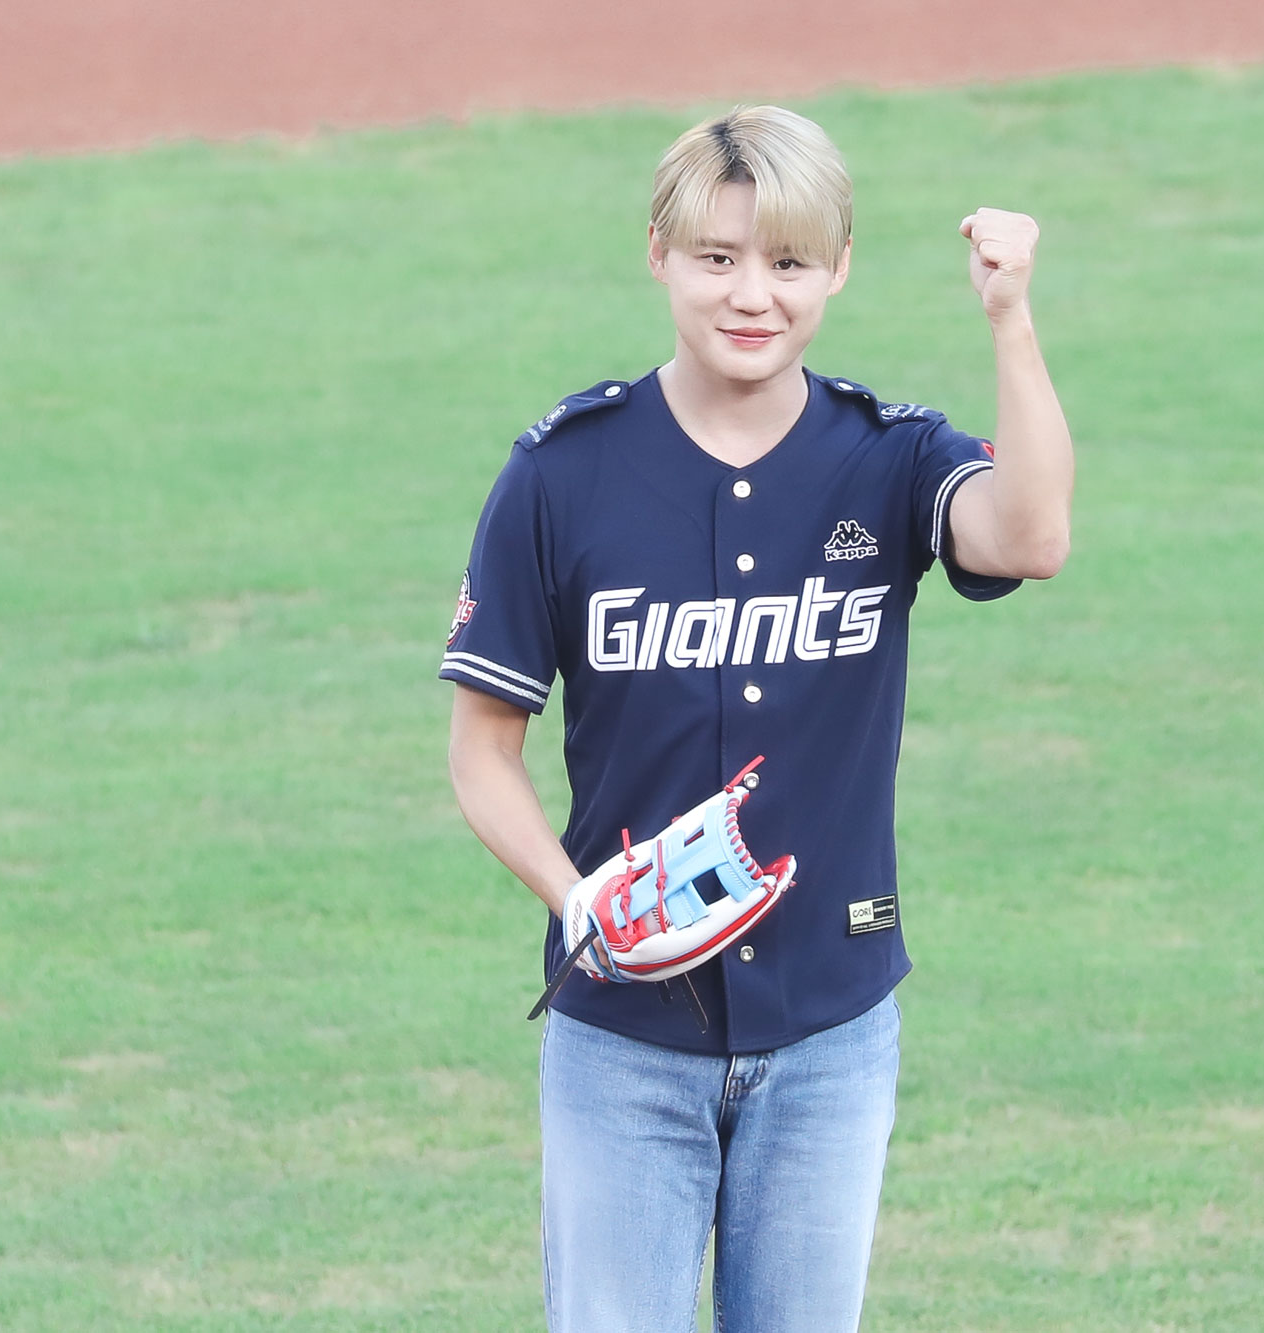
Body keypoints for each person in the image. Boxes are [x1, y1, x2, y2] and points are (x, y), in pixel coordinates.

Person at [442, 103, 1073, 1333]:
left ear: (838, 269)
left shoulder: (889, 458)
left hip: (830, 1029)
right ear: (658, 254)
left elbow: (1030, 537)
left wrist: (1009, 317)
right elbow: (481, 754)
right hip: (621, 1043)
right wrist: (576, 902)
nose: (751, 295)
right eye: (716, 258)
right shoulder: (559, 474)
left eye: (787, 262)